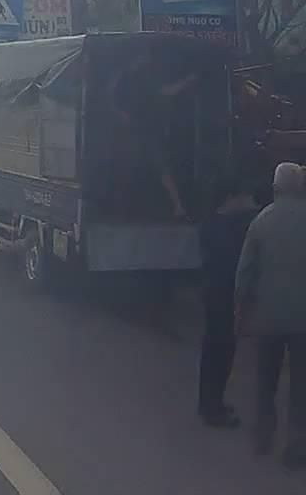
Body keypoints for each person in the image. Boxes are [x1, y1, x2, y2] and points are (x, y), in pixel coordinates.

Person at [234, 162, 306, 466]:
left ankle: (263, 435)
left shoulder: (261, 222)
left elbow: (244, 274)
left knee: (266, 379)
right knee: (301, 384)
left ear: (275, 188)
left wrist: (240, 312)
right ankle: (297, 443)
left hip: (267, 316)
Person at [197, 178, 261, 428]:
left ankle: (210, 403)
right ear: (231, 198)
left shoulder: (212, 223)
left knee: (215, 350)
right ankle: (213, 408)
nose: (248, 202)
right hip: (223, 296)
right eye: (243, 197)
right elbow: (235, 264)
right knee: (221, 351)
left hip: (213, 295)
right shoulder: (226, 230)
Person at [106, 52, 199, 220]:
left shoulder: (135, 77)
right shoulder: (128, 77)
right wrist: (187, 81)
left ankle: (177, 206)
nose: (147, 60)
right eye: (145, 56)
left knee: (157, 167)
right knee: (142, 167)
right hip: (137, 131)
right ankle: (120, 207)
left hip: (145, 130)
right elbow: (166, 91)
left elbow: (164, 92)